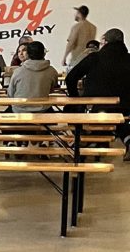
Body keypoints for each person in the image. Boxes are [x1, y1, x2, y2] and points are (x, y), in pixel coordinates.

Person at [66, 28, 130, 159]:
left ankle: (88, 139)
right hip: (126, 105)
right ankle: (126, 138)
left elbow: (70, 78)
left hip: (97, 105)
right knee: (118, 116)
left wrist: (75, 98)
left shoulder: (94, 57)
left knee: (71, 109)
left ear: (105, 42)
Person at [8, 42, 59, 113]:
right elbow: (52, 90)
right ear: (44, 53)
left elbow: (10, 94)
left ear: (28, 54)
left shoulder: (18, 71)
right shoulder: (52, 71)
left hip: (19, 110)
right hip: (43, 110)